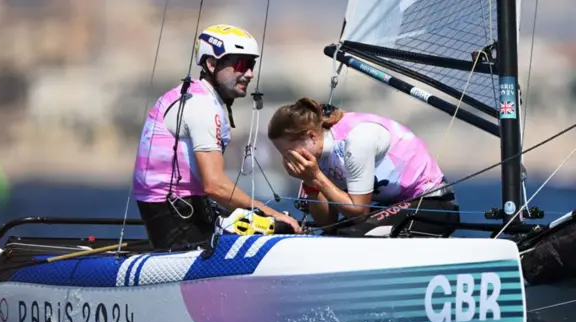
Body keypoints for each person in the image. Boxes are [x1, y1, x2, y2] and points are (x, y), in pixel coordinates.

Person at [133, 24, 301, 250]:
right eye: (241, 64)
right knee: (280, 227)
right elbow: (215, 186)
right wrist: (271, 213)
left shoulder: (194, 94)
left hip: (182, 206)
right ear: (211, 64)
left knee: (270, 227)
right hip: (177, 213)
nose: (249, 73)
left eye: (251, 65)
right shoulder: (202, 106)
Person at [267, 97, 461, 238]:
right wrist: (310, 182)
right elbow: (327, 223)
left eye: (290, 151)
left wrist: (317, 177)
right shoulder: (317, 155)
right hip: (393, 206)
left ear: (311, 136)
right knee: (333, 234)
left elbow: (360, 212)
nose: (288, 159)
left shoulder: (356, 140)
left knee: (354, 234)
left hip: (434, 202)